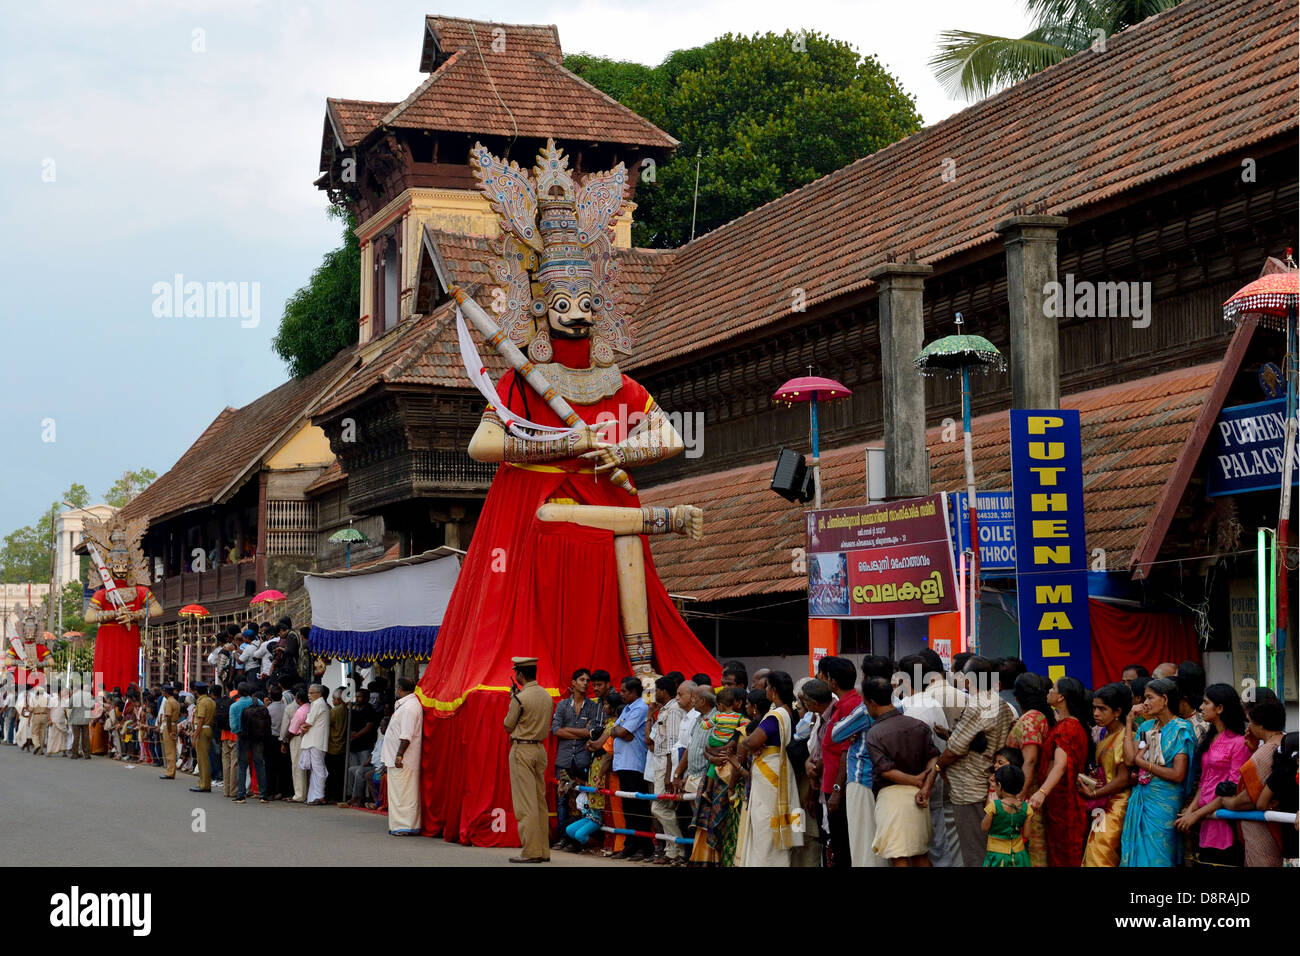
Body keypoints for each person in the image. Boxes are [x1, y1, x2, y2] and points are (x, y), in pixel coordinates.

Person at [939, 656, 1016, 867]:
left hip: (967, 786)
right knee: (987, 848)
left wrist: (938, 766)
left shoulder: (976, 705)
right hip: (987, 780)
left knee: (974, 852)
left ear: (969, 679)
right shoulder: (1002, 705)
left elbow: (955, 748)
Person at [897, 649, 965, 867]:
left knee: (923, 846)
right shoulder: (929, 703)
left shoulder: (913, 709)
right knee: (937, 843)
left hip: (919, 784)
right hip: (932, 782)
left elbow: (913, 752)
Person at [1120, 677, 1196, 867]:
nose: (1144, 703)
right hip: (1141, 797)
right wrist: (1129, 722)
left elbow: (1178, 774)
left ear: (1165, 699)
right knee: (1138, 853)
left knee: (1158, 855)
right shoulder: (1146, 727)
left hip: (1164, 802)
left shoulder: (1181, 729)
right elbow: (1130, 759)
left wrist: (1143, 765)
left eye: (1149, 698)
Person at [863, 677, 939, 866]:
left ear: (871, 703)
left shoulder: (875, 733)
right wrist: (925, 786)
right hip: (919, 797)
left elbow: (885, 770)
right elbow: (934, 757)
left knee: (898, 855)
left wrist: (916, 781)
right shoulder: (917, 725)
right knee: (920, 853)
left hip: (891, 797)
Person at [1174, 683, 1250, 866]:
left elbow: (1232, 788)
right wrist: (1191, 811)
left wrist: (1196, 814)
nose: (1201, 707)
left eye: (1206, 703)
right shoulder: (1211, 739)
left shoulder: (1239, 743)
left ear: (1220, 708)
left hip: (1225, 818)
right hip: (1206, 817)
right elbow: (1205, 782)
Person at [829, 655, 894, 867]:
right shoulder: (898, 704)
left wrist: (852, 732)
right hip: (886, 778)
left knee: (864, 842)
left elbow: (836, 734)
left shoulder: (866, 708)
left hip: (862, 778)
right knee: (882, 840)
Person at [734, 670, 804, 865]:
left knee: (765, 826)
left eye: (766, 687)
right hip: (780, 771)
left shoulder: (775, 715)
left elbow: (750, 742)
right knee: (774, 825)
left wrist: (748, 744)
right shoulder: (790, 712)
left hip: (769, 776)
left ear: (772, 690)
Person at [1027, 676, 1091, 867]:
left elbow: (1060, 765)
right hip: (1059, 799)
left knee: (1063, 854)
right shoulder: (1071, 724)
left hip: (1063, 800)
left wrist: (1042, 792)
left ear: (1061, 697)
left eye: (1052, 689)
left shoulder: (1068, 727)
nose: (1049, 692)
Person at [503, 656, 553, 863]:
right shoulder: (546, 696)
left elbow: (508, 725)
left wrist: (512, 700)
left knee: (526, 803)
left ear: (520, 675)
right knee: (539, 800)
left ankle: (531, 851)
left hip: (522, 749)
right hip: (540, 749)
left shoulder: (520, 699)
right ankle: (543, 850)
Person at [814, 655, 860, 866]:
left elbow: (845, 751)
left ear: (832, 682)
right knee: (838, 843)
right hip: (832, 782)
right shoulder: (843, 704)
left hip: (838, 786)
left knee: (843, 845)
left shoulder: (848, 706)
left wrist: (836, 790)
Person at [1080, 682, 1132, 867]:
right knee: (1094, 848)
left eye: (1102, 709)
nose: (1096, 713)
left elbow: (1123, 779)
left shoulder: (1126, 736)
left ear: (1117, 712)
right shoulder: (1105, 735)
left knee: (1102, 852)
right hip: (1100, 804)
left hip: (1116, 804)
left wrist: (1093, 793)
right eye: (1094, 708)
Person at [1006, 671, 1053, 866]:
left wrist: (1020, 795)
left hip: (1028, 792)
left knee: (1033, 845)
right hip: (1034, 790)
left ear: (1017, 697)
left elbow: (1030, 760)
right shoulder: (1041, 716)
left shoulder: (1031, 719)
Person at [551, 668, 600, 849]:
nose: (585, 683)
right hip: (564, 761)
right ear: (573, 682)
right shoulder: (563, 705)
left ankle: (575, 840)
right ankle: (564, 837)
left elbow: (592, 732)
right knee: (562, 799)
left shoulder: (593, 706)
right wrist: (583, 733)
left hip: (582, 761)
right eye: (581, 679)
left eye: (588, 680)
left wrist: (569, 731)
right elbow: (556, 730)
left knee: (583, 799)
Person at [648, 674, 686, 862]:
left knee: (660, 807)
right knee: (665, 808)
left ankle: (678, 847)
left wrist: (671, 774)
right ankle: (673, 850)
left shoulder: (673, 711)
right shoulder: (665, 710)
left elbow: (673, 743)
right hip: (660, 763)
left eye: (656, 690)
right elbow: (652, 740)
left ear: (663, 691)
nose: (654, 693)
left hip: (666, 764)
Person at [384, 677, 423, 835]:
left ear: (399, 689)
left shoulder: (409, 708)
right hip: (400, 758)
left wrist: (399, 755)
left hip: (404, 759)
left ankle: (404, 826)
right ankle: (404, 824)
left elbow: (406, 735)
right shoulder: (407, 705)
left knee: (403, 794)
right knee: (402, 793)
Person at [982, 764, 1032, 867]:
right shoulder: (1026, 808)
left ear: (999, 785)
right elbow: (1026, 834)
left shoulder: (994, 806)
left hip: (997, 855)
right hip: (1019, 855)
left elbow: (984, 827)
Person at [299, 683, 330, 805]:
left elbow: (308, 724)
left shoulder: (318, 704)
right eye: (309, 693)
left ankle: (320, 795)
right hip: (314, 740)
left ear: (319, 694)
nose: (309, 695)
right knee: (315, 769)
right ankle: (314, 796)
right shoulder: (317, 704)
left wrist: (302, 728)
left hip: (316, 741)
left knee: (318, 769)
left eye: (311, 693)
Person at [189, 683, 215, 792]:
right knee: (205, 758)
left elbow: (200, 719)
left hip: (202, 730)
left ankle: (204, 784)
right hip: (209, 728)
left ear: (197, 691)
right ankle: (205, 783)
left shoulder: (202, 702)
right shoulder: (211, 701)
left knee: (202, 759)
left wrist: (195, 735)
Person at [326, 687, 348, 803]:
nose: (333, 701)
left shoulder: (335, 711)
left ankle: (332, 796)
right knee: (339, 774)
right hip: (342, 745)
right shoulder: (346, 709)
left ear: (339, 699)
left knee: (332, 774)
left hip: (333, 745)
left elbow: (328, 723)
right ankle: (338, 796)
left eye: (334, 699)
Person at [158, 684, 181, 779]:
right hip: (174, 724)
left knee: (169, 750)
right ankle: (171, 770)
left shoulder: (168, 702)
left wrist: (169, 730)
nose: (162, 692)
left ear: (166, 692)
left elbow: (168, 717)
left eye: (163, 691)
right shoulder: (175, 701)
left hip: (170, 725)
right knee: (172, 749)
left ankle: (170, 772)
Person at [67, 680, 92, 759]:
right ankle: (87, 754)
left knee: (76, 737)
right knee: (86, 737)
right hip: (85, 719)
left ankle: (75, 753)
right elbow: (93, 706)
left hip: (76, 719)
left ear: (76, 688)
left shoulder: (74, 696)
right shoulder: (89, 695)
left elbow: (69, 706)